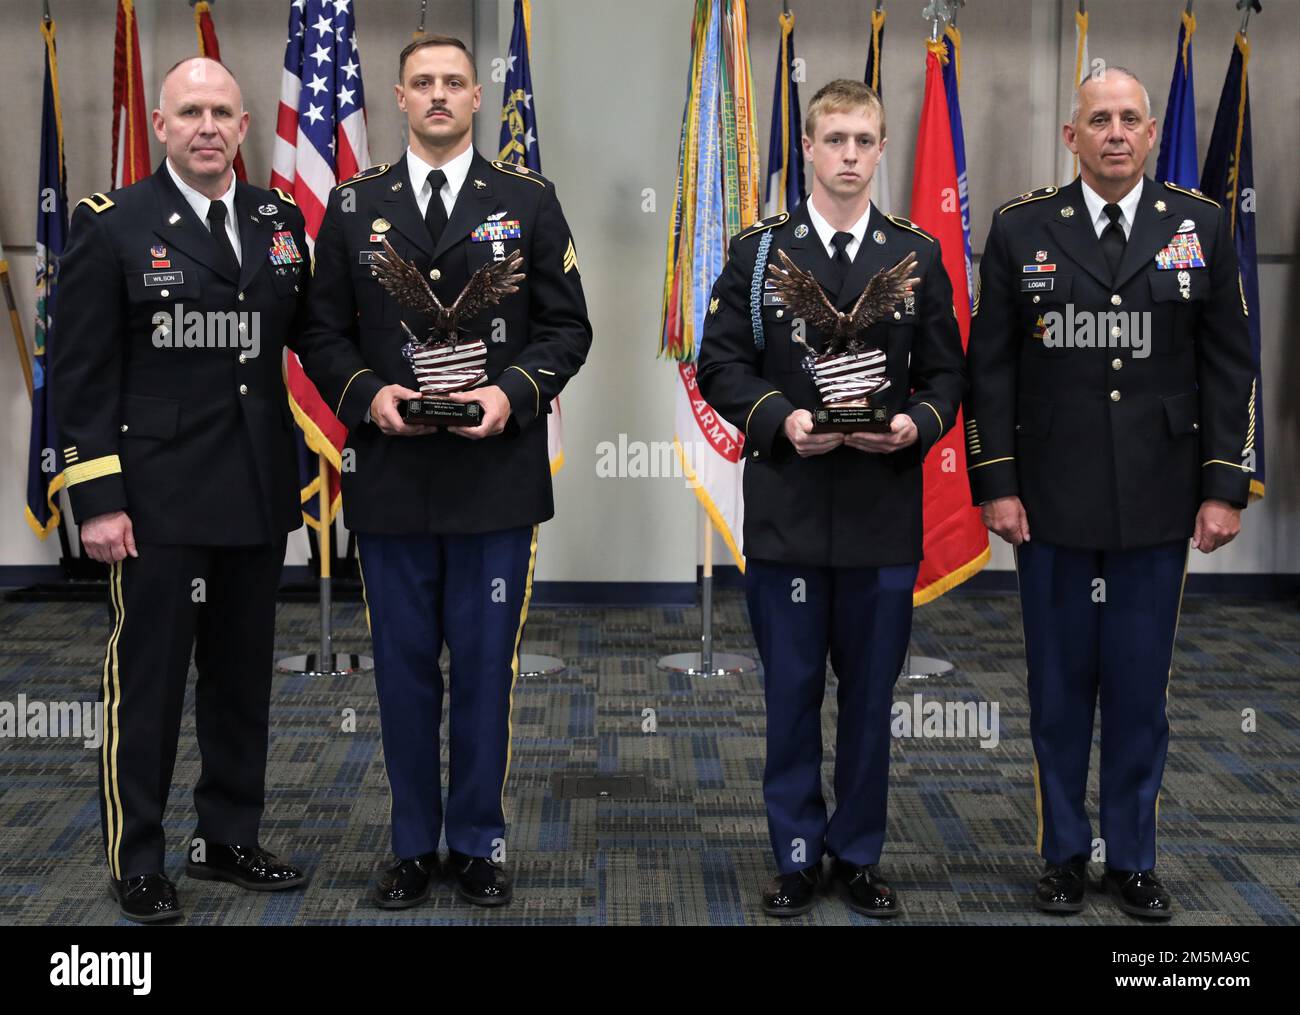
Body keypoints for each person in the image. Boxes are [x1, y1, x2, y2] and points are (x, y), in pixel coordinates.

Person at [53, 57, 374, 922]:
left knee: (240, 680)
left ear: (243, 127)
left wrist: (384, 379)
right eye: (189, 111)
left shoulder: (274, 217)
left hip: (256, 488)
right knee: (149, 682)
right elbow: (80, 377)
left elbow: (311, 332)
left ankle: (226, 836)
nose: (206, 126)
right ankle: (140, 857)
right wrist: (98, 499)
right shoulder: (112, 224)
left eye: (221, 112)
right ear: (160, 126)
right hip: (153, 498)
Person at [300, 35, 591, 909]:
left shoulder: (526, 200)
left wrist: (513, 392)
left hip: (492, 474)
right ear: (397, 97)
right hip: (390, 472)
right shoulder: (354, 206)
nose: (437, 96)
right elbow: (318, 331)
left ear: (476, 98)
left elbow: (567, 330)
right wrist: (365, 395)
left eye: (453, 83)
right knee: (400, 669)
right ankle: (409, 845)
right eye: (422, 83)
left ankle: (476, 841)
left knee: (485, 666)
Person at [965, 66, 1255, 919]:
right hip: (1050, 501)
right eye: (1100, 120)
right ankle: (1061, 854)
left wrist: (1224, 488)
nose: (1117, 133)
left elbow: (1229, 364)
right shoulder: (1023, 228)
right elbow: (993, 369)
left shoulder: (1198, 224)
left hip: (1161, 500)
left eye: (1131, 119)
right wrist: (997, 486)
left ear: (1152, 132)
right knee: (1058, 690)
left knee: (1139, 690)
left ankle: (1132, 856)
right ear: (1072, 137)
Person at [697, 79, 965, 918]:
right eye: (834, 139)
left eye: (864, 140)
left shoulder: (917, 255)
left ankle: (857, 854)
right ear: (807, 149)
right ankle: (798, 854)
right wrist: (780, 417)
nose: (850, 155)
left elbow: (949, 372)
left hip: (883, 509)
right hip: (791, 506)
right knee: (790, 694)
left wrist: (917, 425)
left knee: (872, 700)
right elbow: (721, 364)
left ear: (882, 150)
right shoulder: (758, 254)